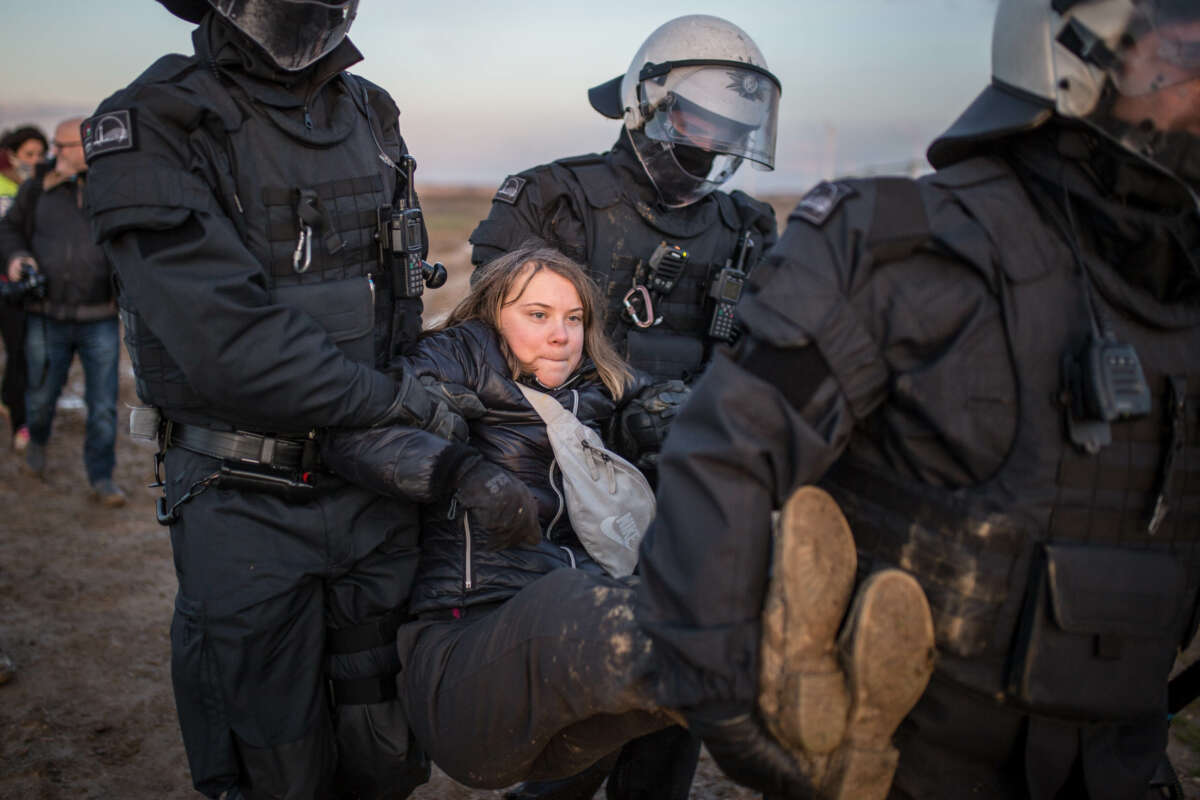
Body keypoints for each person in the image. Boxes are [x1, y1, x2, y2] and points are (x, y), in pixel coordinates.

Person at [633, 0, 1200, 798]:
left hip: (1125, 764)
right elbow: (725, 453)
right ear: (1075, 52)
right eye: (1185, 50)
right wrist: (721, 695)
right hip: (904, 767)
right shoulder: (897, 246)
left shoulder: (1182, 292)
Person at [320, 244, 903, 797]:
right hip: (467, 665)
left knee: (680, 683)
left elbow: (680, 416)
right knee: (588, 601)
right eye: (538, 313)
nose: (561, 334)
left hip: (569, 705)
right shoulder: (462, 360)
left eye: (574, 318)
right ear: (493, 316)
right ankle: (768, 629)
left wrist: (677, 428)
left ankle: (831, 724)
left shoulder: (603, 388)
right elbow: (355, 437)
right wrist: (458, 473)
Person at [82, 1, 468, 797]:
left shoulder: (372, 111)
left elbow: (396, 305)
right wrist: (402, 406)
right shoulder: (153, 120)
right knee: (274, 761)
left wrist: (445, 403)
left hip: (375, 493)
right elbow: (231, 347)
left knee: (383, 743)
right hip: (242, 500)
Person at [469, 17, 781, 797]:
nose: (712, 141)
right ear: (648, 106)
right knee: (575, 714)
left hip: (691, 498)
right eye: (697, 119)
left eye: (731, 127)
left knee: (674, 703)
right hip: (568, 498)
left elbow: (769, 360)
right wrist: (617, 409)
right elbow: (493, 342)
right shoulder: (554, 197)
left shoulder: (748, 227)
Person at [0, 118, 125, 507]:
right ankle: (36, 440)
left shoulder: (110, 188)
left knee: (103, 407)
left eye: (66, 145)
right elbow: (8, 231)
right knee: (40, 398)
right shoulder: (37, 188)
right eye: (58, 144)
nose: (58, 151)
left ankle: (102, 480)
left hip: (99, 318)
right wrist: (18, 258)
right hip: (45, 315)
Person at [0, 125, 47, 453]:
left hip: (25, 286)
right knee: (17, 354)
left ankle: (14, 410)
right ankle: (16, 414)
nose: (36, 160)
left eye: (41, 154)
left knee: (24, 355)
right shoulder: (3, 185)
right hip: (3, 283)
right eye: (29, 154)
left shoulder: (43, 188)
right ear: (13, 155)